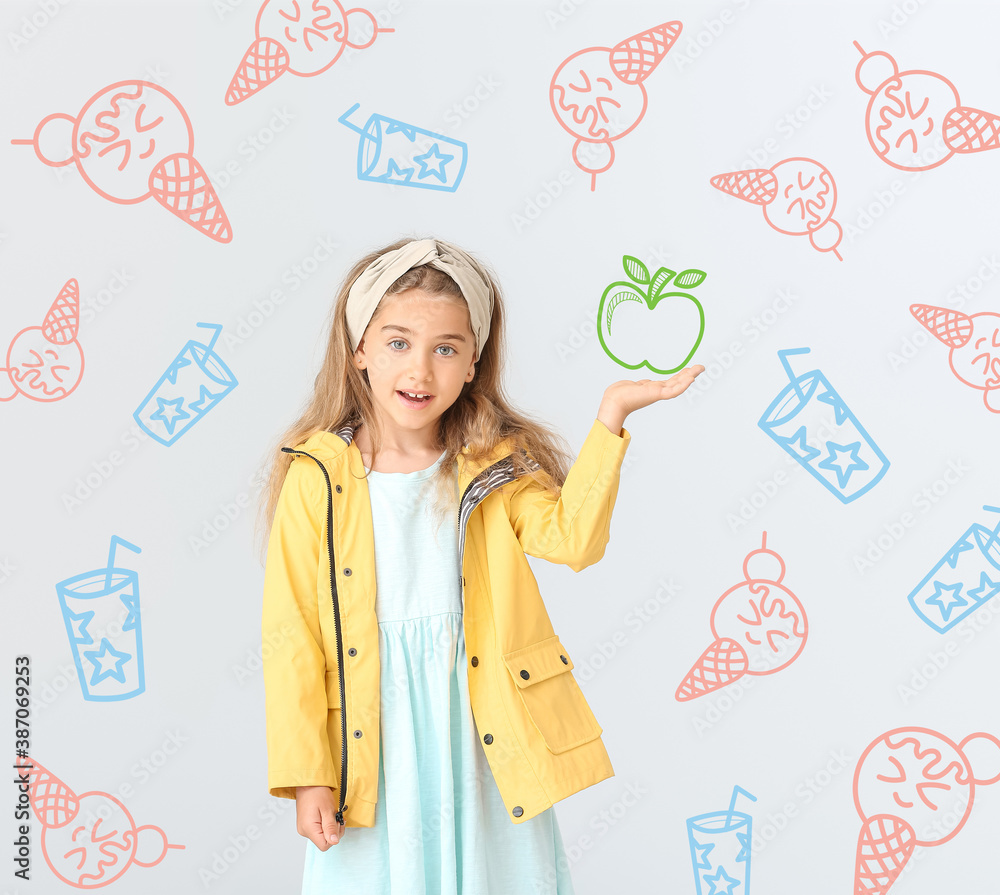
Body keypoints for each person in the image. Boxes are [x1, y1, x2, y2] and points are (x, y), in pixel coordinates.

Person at [254, 236, 703, 894]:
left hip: (481, 724)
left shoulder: (489, 467)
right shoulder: (314, 475)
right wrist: (308, 773)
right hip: (371, 733)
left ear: (472, 364)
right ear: (359, 351)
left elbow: (574, 539)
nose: (420, 369)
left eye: (446, 348)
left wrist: (611, 419)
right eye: (398, 342)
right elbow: (291, 635)